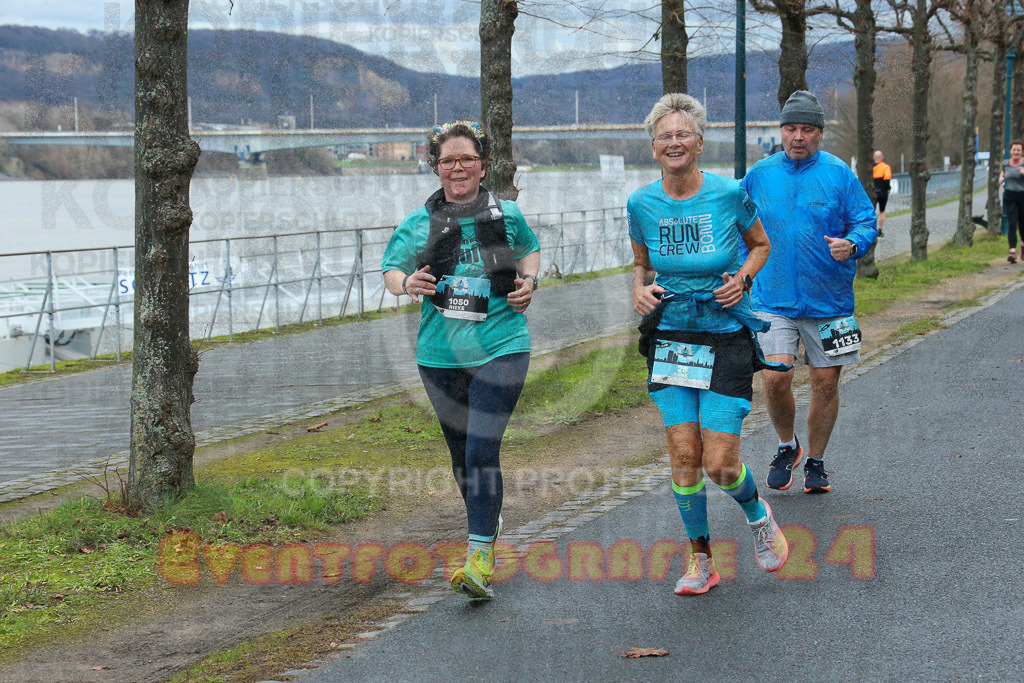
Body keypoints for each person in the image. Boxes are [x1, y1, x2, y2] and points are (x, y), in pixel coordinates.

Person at [629, 93, 790, 596]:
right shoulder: (641, 204)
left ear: (699, 143)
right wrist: (638, 288)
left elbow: (762, 244)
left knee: (719, 461)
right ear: (653, 148)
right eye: (664, 136)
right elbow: (641, 263)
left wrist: (742, 279)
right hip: (672, 336)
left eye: (683, 134)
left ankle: (758, 515)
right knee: (683, 452)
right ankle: (701, 561)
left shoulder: (727, 194)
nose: (674, 142)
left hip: (724, 337)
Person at [381, 121, 540, 599]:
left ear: (483, 166)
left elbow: (529, 251)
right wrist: (407, 285)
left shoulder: (507, 214)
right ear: (435, 167)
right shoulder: (419, 224)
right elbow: (391, 270)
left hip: (502, 344)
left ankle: (477, 557)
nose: (457, 167)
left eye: (466, 159)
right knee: (461, 456)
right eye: (448, 160)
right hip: (439, 355)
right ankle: (486, 521)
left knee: (480, 447)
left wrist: (530, 283)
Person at [740, 90, 878, 495]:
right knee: (774, 377)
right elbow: (735, 223)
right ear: (781, 132)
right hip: (771, 297)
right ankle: (788, 446)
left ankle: (816, 462)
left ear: (820, 134)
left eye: (806, 129)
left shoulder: (839, 174)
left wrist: (853, 244)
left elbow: (866, 221)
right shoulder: (759, 175)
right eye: (790, 128)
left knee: (825, 383)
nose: (797, 136)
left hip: (830, 301)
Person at [998, 139, 1024, 263]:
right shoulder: (1005, 163)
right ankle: (1012, 252)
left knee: (1022, 225)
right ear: (1010, 151)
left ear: (1022, 151)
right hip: (1009, 196)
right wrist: (1001, 177)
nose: (1016, 152)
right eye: (1014, 150)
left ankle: (1023, 246)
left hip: (1023, 196)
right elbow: (1003, 173)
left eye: (1018, 150)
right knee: (1012, 224)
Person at [872, 150, 892, 237]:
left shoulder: (870, 168)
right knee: (882, 211)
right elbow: (887, 179)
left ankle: (871, 229)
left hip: (872, 192)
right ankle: (879, 230)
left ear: (874, 158)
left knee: (872, 211)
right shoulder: (886, 167)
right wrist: (888, 188)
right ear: (882, 158)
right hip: (883, 192)